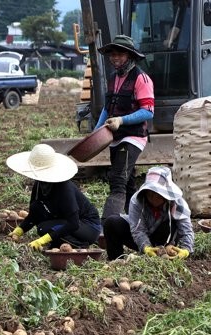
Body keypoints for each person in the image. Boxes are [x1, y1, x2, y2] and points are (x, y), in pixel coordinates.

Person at [94, 35, 155, 220]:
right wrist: (96, 131)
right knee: (127, 182)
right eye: (112, 54)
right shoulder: (113, 78)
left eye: (120, 54)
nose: (115, 58)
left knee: (118, 180)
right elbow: (108, 108)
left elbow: (148, 111)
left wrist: (121, 120)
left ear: (130, 56)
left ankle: (107, 226)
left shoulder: (141, 79)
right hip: (116, 137)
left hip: (133, 136)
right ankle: (139, 220)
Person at [5, 144, 102, 250]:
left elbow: (73, 223)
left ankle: (79, 244)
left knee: (43, 228)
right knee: (38, 211)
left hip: (88, 226)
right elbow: (34, 215)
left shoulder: (64, 188)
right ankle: (58, 242)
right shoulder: (39, 185)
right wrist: (19, 231)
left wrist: (43, 239)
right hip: (67, 221)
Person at [103, 166, 193, 260]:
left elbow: (186, 230)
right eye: (151, 194)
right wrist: (146, 248)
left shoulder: (177, 203)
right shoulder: (137, 200)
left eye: (158, 195)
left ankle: (163, 255)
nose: (154, 199)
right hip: (140, 236)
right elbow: (138, 230)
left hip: (164, 238)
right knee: (112, 223)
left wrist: (186, 250)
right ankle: (116, 261)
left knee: (172, 224)